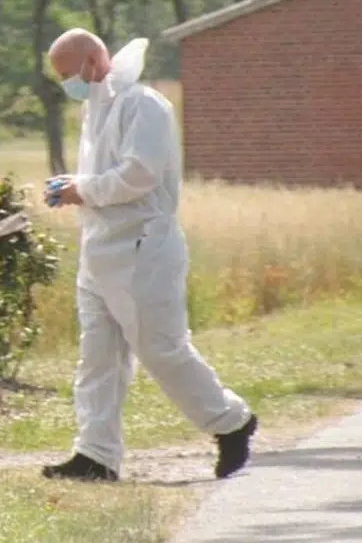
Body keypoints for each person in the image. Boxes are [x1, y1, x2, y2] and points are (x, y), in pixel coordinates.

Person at [41, 28, 257, 482]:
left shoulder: (145, 105)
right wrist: (74, 187)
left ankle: (231, 421)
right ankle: (96, 455)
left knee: (161, 349)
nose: (67, 84)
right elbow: (103, 174)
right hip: (99, 250)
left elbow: (139, 175)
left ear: (94, 60)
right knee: (98, 357)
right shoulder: (95, 108)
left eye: (69, 73)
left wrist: (83, 189)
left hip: (143, 249)